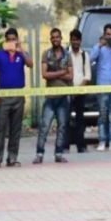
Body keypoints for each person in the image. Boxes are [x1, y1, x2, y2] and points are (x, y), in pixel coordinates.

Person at [0, 28, 33, 168]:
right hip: (3, 96)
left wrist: (22, 51)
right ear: (5, 41)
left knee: (16, 129)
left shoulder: (21, 54)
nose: (11, 42)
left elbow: (31, 64)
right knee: (0, 128)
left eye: (13, 39)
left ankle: (12, 158)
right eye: (8, 40)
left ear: (17, 40)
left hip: (18, 96)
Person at [33, 28, 73, 164]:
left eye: (57, 37)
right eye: (53, 37)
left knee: (62, 126)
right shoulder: (46, 54)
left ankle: (59, 153)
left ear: (61, 38)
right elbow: (44, 74)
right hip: (50, 97)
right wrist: (61, 73)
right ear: (50, 39)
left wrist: (54, 74)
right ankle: (39, 154)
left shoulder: (67, 55)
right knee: (44, 126)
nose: (55, 39)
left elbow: (70, 76)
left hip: (63, 96)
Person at [91, 24, 111, 152]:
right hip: (102, 85)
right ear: (104, 35)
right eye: (107, 34)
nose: (109, 36)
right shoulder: (98, 48)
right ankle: (101, 141)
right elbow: (91, 59)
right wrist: (99, 45)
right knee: (102, 115)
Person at [67, 29, 91, 154]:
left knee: (80, 120)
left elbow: (87, 75)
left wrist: (78, 90)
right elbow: (64, 72)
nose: (75, 42)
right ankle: (65, 146)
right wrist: (71, 89)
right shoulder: (66, 54)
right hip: (68, 91)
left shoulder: (84, 55)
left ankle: (81, 146)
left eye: (77, 40)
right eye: (73, 40)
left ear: (80, 41)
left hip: (81, 92)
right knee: (65, 119)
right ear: (70, 40)